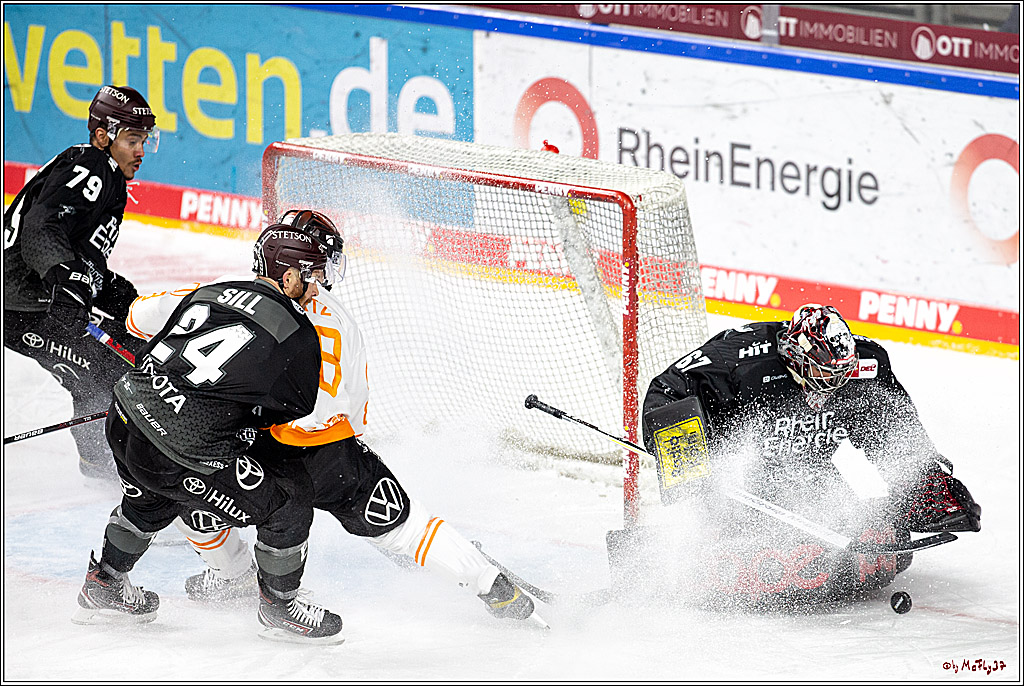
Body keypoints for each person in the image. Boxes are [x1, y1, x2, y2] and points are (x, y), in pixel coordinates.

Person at [124, 209, 549, 629]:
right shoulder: (342, 322)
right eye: (321, 264)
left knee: (182, 482)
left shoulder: (228, 296)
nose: (324, 277)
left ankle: (231, 574)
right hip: (331, 456)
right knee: (403, 523)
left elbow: (139, 317)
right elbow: (352, 413)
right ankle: (488, 584)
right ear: (297, 267)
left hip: (254, 448)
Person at [73, 222, 346, 645]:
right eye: (313, 278)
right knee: (289, 501)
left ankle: (106, 581)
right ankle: (280, 607)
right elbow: (292, 411)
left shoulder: (211, 291)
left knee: (151, 493)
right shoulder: (298, 332)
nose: (318, 289)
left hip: (125, 416)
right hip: (182, 445)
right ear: (289, 276)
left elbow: (153, 349)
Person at [642, 303, 981, 606]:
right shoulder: (736, 360)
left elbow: (896, 430)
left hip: (811, 471)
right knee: (744, 545)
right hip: (743, 486)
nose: (833, 387)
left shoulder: (867, 364)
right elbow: (665, 392)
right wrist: (691, 463)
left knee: (850, 527)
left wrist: (927, 482)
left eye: (840, 377)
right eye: (824, 376)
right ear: (795, 358)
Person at [3, 84, 158, 479]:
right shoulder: (91, 165)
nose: (140, 151)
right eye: (132, 140)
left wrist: (110, 289)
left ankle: (104, 462)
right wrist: (66, 280)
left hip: (41, 294)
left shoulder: (107, 175)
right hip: (20, 304)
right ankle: (103, 469)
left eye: (145, 141)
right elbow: (43, 227)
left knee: (130, 355)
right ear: (103, 136)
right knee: (101, 375)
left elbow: (81, 250)